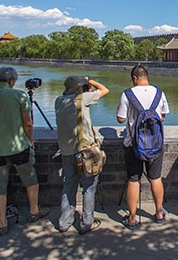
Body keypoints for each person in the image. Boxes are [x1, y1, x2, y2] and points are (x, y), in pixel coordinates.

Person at [0, 67, 48, 236]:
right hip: (19, 146)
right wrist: (30, 142)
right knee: (30, 179)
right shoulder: (19, 96)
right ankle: (34, 212)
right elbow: (28, 124)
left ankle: (2, 223)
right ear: (12, 81)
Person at [116, 65, 169, 229]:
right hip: (155, 145)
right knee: (156, 178)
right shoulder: (160, 93)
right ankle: (159, 213)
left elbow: (120, 118)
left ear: (134, 78)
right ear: (146, 76)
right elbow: (162, 116)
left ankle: (132, 218)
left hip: (133, 145)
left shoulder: (127, 94)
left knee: (134, 180)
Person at [55, 76, 109, 234]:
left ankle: (64, 222)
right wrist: (89, 81)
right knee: (89, 188)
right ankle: (86, 223)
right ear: (79, 88)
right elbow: (105, 90)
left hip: (66, 151)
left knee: (68, 186)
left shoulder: (58, 101)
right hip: (85, 151)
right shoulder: (83, 98)